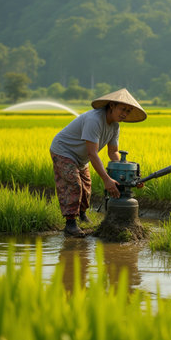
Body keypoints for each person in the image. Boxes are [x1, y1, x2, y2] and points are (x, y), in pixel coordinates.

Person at [50, 88, 147, 237]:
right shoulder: (94, 120)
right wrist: (107, 179)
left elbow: (113, 152)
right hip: (64, 151)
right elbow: (92, 153)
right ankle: (70, 224)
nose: (124, 114)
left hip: (81, 157)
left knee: (86, 187)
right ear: (112, 106)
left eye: (128, 111)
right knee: (74, 184)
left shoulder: (115, 126)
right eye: (123, 109)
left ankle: (82, 215)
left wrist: (129, 175)